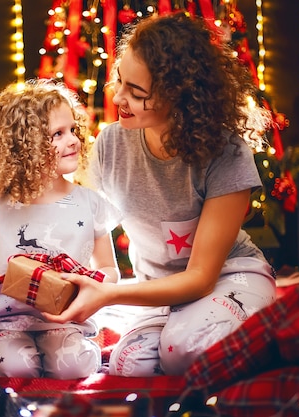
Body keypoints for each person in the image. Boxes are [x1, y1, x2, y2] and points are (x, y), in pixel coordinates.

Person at [42, 12, 277, 376]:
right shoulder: (111, 144)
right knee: (127, 365)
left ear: (180, 98)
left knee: (182, 349)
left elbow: (200, 277)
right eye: (121, 82)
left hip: (229, 276)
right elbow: (78, 222)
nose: (118, 97)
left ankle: (260, 330)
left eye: (136, 93)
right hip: (156, 292)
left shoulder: (226, 153)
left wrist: (111, 295)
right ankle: (197, 332)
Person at [0, 78, 121, 379]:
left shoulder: (90, 203)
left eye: (72, 130)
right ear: (23, 147)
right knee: (17, 367)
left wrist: (91, 284)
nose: (72, 140)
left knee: (74, 367)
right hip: (6, 321)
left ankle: (80, 346)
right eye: (57, 134)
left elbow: (110, 269)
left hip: (64, 319)